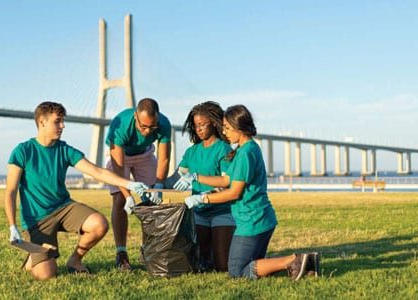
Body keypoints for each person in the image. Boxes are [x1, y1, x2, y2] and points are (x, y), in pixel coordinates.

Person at [5, 101, 148, 280]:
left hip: (63, 207)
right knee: (46, 275)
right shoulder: (22, 151)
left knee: (99, 224)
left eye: (63, 121)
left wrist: (129, 184)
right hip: (37, 219)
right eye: (57, 121)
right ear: (42, 122)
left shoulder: (64, 149)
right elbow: (10, 191)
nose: (62, 125)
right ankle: (34, 259)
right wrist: (12, 226)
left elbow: (97, 171)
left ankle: (75, 260)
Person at [178, 104, 320, 280]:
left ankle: (293, 260)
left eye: (228, 128)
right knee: (251, 264)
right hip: (259, 219)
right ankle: (308, 263)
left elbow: (234, 192)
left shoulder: (246, 153)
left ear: (240, 129)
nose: (224, 131)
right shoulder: (245, 149)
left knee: (237, 272)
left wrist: (202, 199)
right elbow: (226, 180)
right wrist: (196, 176)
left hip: (252, 221)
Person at [105, 98, 172, 270]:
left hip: (145, 155)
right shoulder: (119, 126)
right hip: (122, 157)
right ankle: (121, 253)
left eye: (152, 127)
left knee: (152, 201)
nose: (147, 131)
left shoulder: (163, 123)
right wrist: (128, 195)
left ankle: (149, 250)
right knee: (119, 199)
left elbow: (164, 158)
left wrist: (158, 185)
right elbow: (118, 170)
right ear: (135, 116)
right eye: (143, 126)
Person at [173, 101, 235, 272]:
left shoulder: (224, 149)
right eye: (195, 125)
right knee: (199, 263)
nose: (198, 129)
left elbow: (227, 184)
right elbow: (177, 176)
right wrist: (155, 186)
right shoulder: (192, 152)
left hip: (222, 212)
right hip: (199, 213)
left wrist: (203, 196)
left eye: (202, 125)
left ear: (214, 124)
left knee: (222, 266)